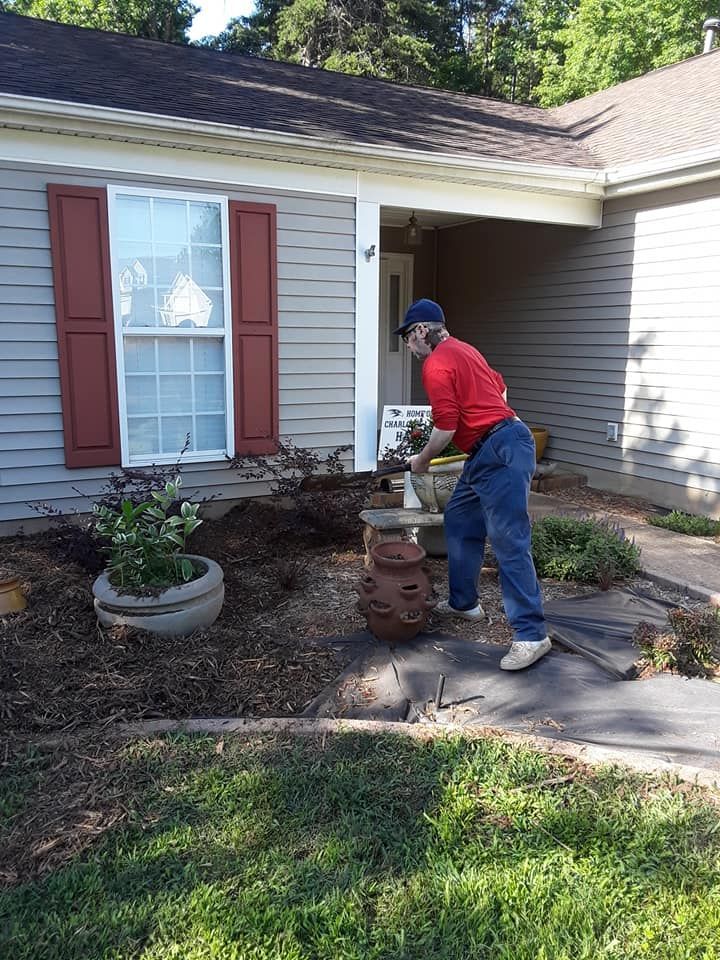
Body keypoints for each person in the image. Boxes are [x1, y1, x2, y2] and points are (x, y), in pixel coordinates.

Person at [393, 298, 551, 671]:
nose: (410, 348)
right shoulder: (466, 350)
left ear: (421, 331)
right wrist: (485, 433)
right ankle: (465, 603)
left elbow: (445, 426)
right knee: (461, 517)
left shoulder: (436, 363)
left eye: (409, 340)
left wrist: (423, 460)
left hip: (500, 450)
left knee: (508, 539)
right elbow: (501, 389)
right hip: (493, 447)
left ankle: (531, 635)